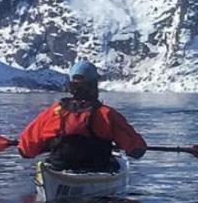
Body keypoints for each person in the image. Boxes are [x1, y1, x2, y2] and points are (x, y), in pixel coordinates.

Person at [18, 60, 147, 172]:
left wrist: (46, 145)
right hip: (97, 170)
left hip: (59, 169)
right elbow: (137, 149)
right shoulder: (106, 114)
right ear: (94, 86)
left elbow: (25, 150)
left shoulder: (53, 112)